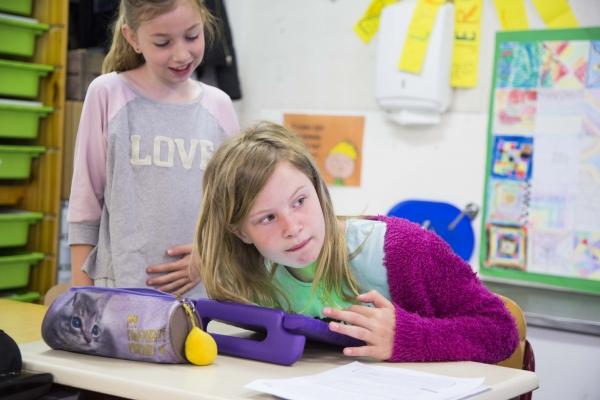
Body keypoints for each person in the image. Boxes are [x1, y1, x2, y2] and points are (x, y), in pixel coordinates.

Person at [194, 121, 519, 362]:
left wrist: (407, 336)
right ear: (240, 232)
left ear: (318, 190)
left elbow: (501, 331)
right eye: (267, 218)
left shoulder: (404, 250)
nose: (292, 227)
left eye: (299, 201)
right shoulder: (253, 279)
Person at [68, 0, 239, 297]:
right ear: (132, 38)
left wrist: (207, 258)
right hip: (121, 295)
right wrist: (82, 302)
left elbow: (237, 209)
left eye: (192, 36)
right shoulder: (107, 93)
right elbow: (85, 208)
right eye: (163, 42)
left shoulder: (219, 106)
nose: (181, 54)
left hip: (203, 295)